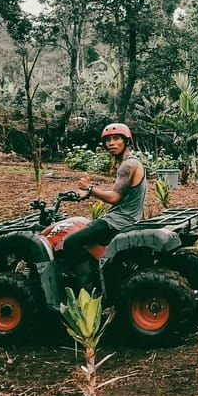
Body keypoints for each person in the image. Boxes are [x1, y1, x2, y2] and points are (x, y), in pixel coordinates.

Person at [62, 122, 148, 292]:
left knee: (71, 242)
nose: (111, 143)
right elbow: (121, 193)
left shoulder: (128, 165)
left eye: (116, 138)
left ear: (126, 141)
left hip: (119, 221)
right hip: (127, 218)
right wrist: (88, 193)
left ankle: (86, 293)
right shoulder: (131, 163)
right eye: (108, 140)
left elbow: (115, 197)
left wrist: (90, 189)